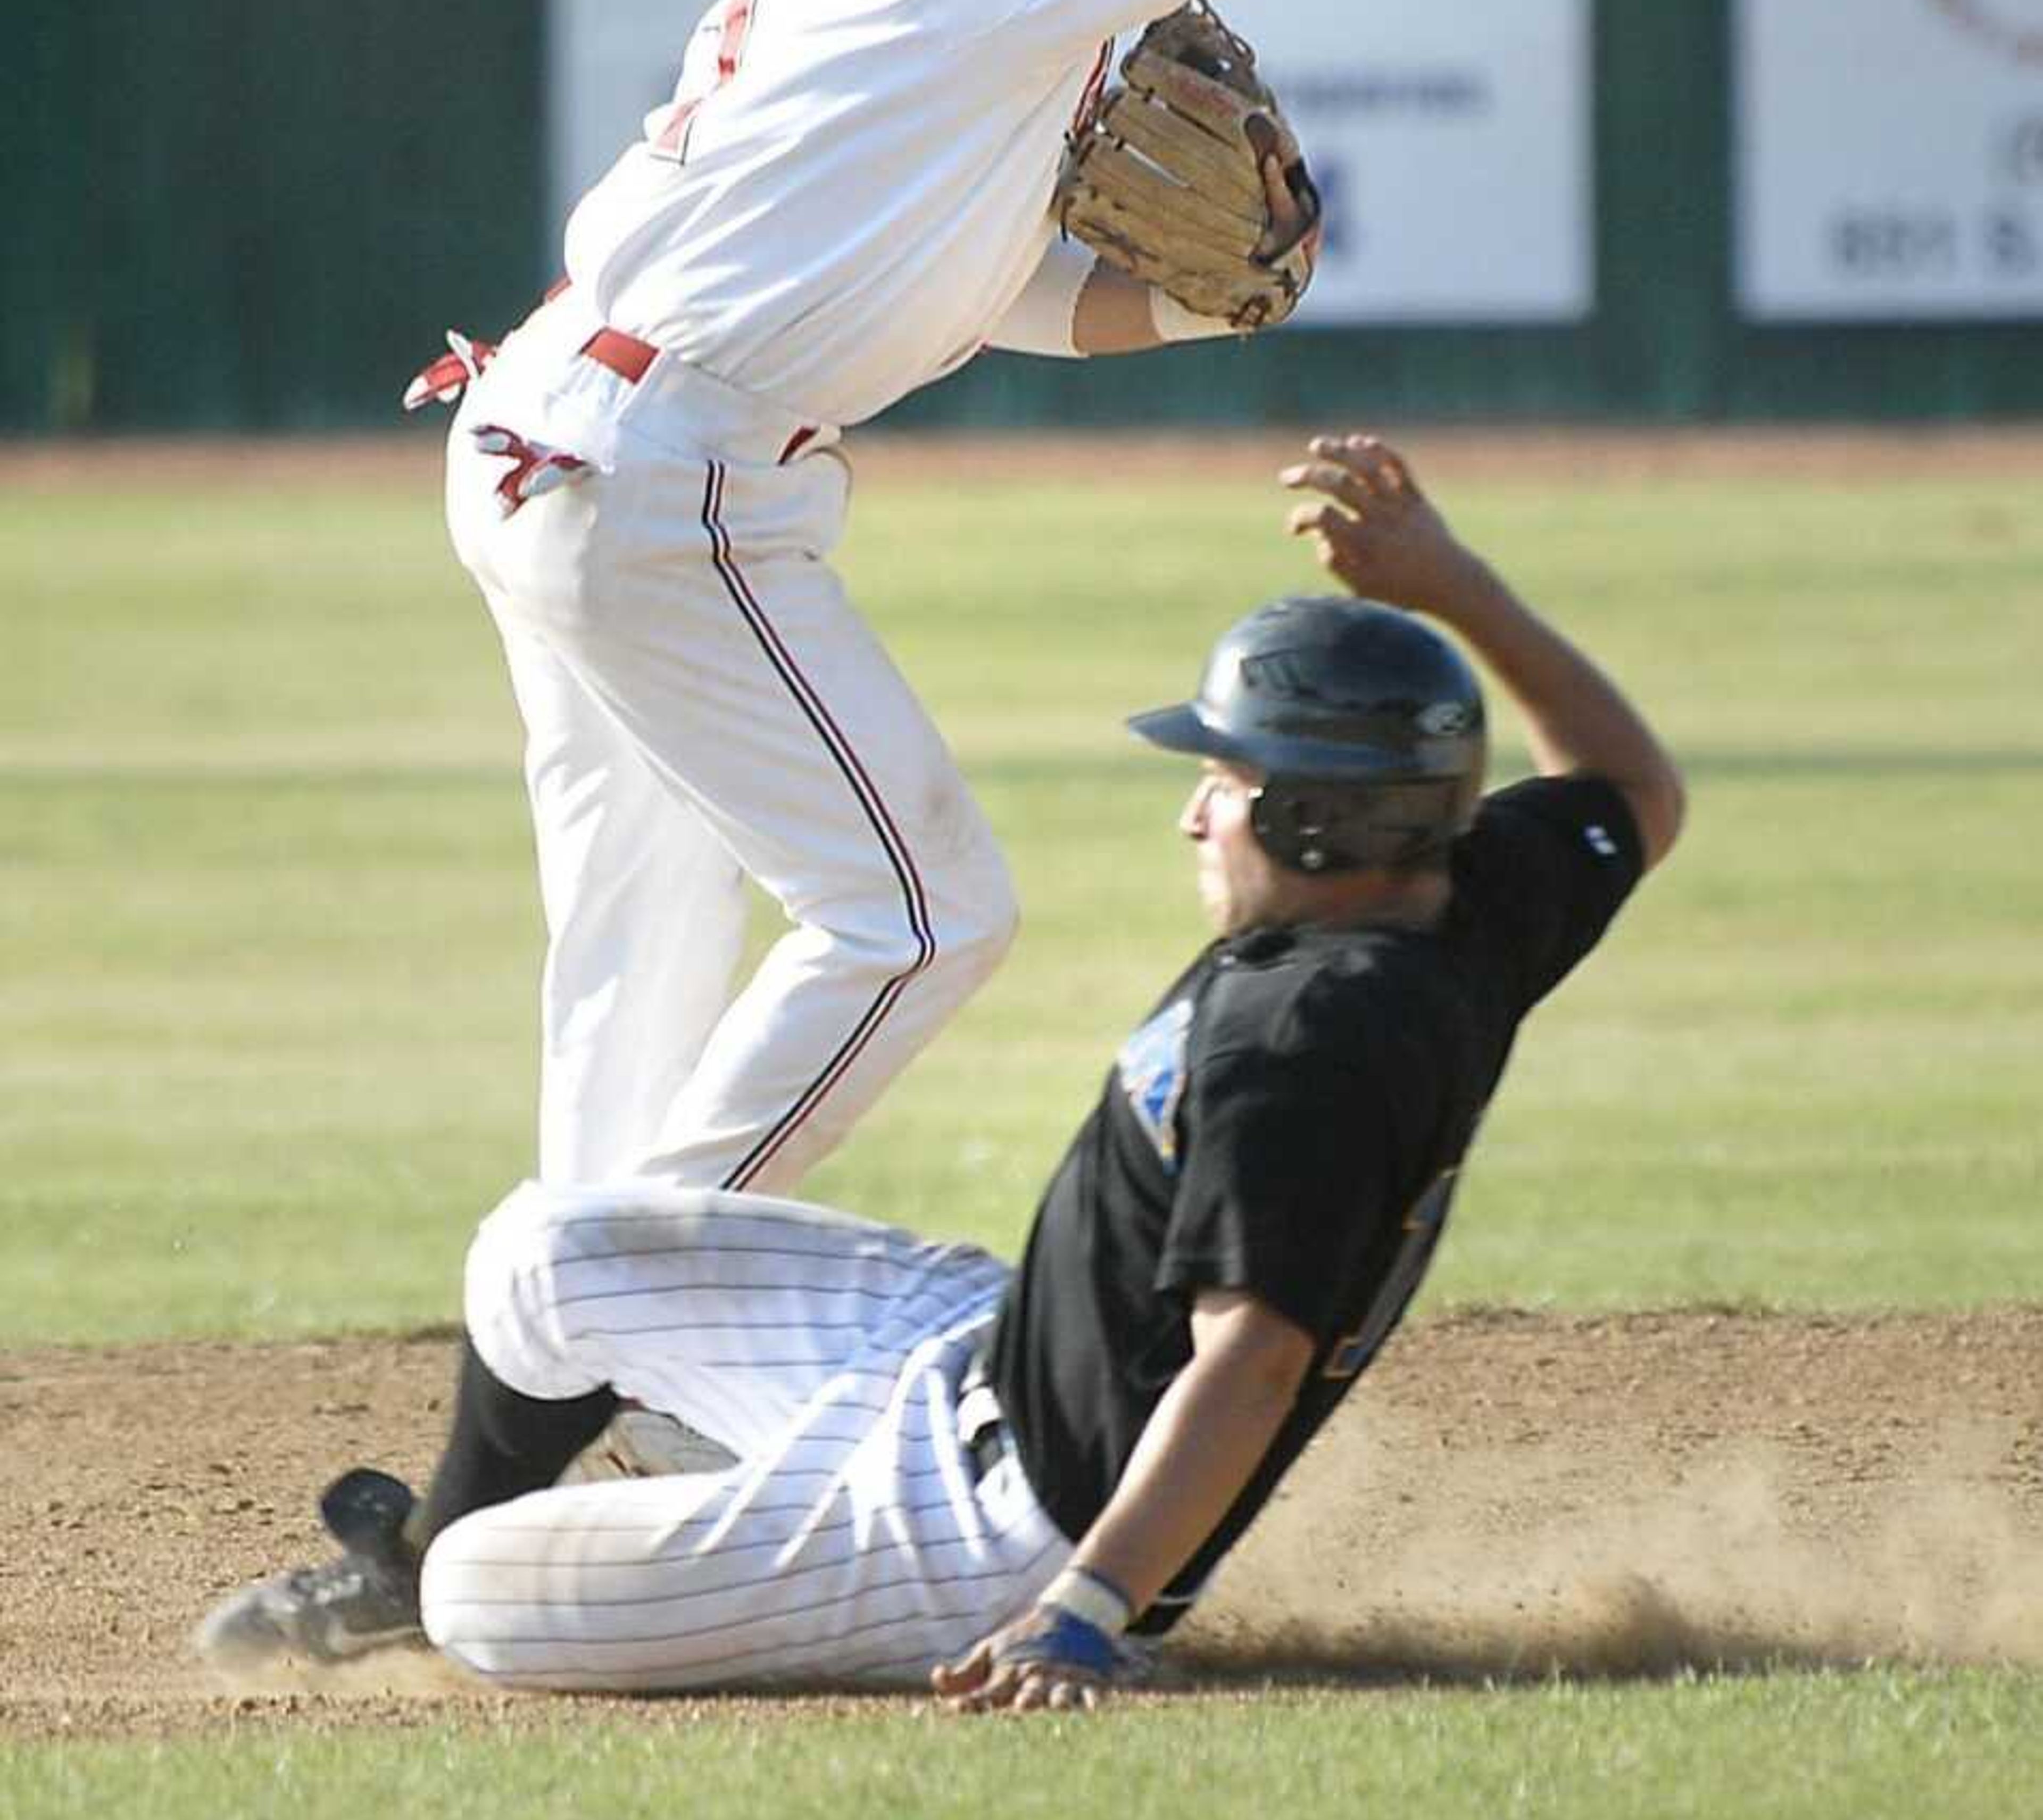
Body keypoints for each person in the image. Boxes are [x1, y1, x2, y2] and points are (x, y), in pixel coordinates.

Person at [419, 0, 1833, 1196]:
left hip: (568, 426)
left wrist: (1188, 306)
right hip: (658, 468)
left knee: (644, 924)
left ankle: (561, 1347)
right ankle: (627, 1301)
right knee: (924, 915)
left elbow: (983, 272)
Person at [197, 432, 1683, 1706]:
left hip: (988, 1538)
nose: (1194, 815)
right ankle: (554, 1530)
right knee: (543, 1249)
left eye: (1223, 783)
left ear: (1312, 827)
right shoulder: (1461, 896)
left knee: (487, 1597)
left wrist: (1090, 1611)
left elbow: (1257, 1357)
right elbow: (1635, 788)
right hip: (970, 1344)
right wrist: (1449, 590)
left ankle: (642, 1543)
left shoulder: (1311, 1043)